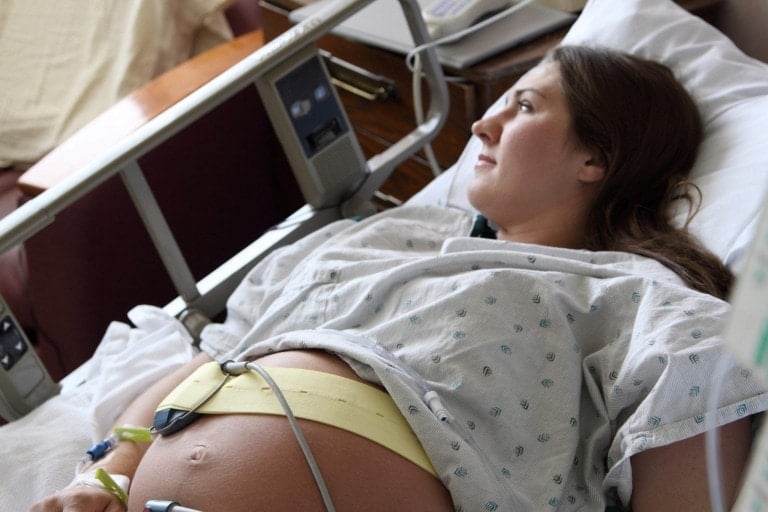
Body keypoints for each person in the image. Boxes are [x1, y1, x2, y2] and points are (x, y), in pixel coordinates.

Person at [30, 45, 765, 512]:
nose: (480, 126)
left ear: (596, 158)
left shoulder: (644, 298)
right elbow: (212, 360)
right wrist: (104, 475)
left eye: (525, 105)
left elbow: (694, 445)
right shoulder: (382, 239)